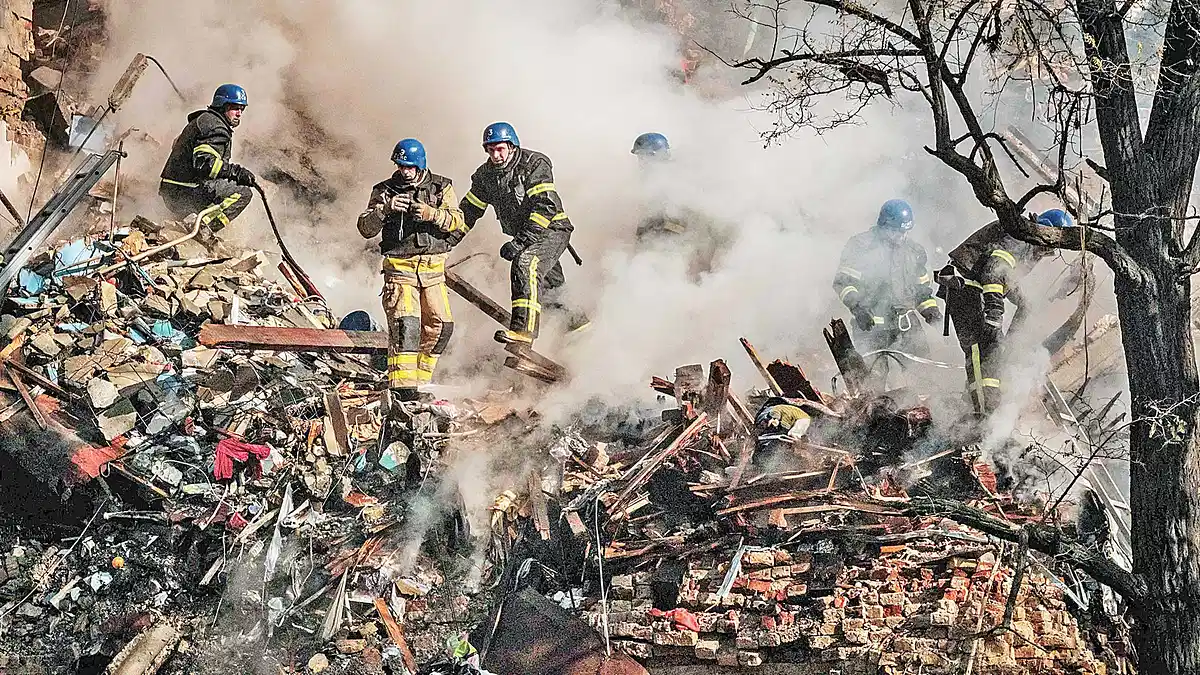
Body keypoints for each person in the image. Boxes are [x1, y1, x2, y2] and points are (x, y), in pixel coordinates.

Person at [357, 138, 465, 402]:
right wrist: (385, 210)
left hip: (433, 271)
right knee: (407, 327)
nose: (404, 172)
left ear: (420, 165)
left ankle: (421, 382)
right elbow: (365, 228)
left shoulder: (442, 187)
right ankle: (403, 392)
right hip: (400, 271)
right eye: (400, 166)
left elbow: (458, 221)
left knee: (442, 326)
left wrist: (431, 214)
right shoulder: (383, 190)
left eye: (409, 167)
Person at [936, 208, 1073, 414]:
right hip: (965, 287)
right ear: (1046, 230)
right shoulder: (1020, 236)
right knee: (981, 349)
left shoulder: (1026, 240)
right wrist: (995, 313)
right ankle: (983, 415)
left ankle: (982, 407)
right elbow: (994, 271)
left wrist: (1023, 304)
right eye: (1051, 242)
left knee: (995, 350)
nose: (1049, 250)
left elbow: (1007, 278)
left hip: (974, 289)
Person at [458, 122, 582, 346]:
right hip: (527, 235)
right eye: (491, 150)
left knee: (526, 263)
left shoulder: (534, 164)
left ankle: (523, 331)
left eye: (500, 149)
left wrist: (521, 242)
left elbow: (545, 206)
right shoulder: (485, 176)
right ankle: (581, 331)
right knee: (553, 289)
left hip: (551, 229)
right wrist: (445, 242)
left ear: (512, 146)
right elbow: (468, 212)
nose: (496, 155)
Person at [832, 199, 941, 358]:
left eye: (905, 232)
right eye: (896, 232)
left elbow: (922, 292)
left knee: (924, 371)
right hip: (871, 327)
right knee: (873, 376)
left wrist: (933, 315)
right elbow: (843, 282)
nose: (901, 237)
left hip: (906, 325)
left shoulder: (913, 252)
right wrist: (858, 308)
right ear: (883, 226)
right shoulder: (861, 246)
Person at [159, 84, 257, 233]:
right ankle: (202, 229)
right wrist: (236, 172)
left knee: (223, 186)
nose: (239, 113)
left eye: (241, 109)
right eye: (235, 108)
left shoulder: (204, 120)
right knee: (243, 193)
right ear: (222, 105)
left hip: (172, 189)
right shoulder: (216, 128)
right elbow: (204, 164)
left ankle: (195, 223)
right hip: (183, 192)